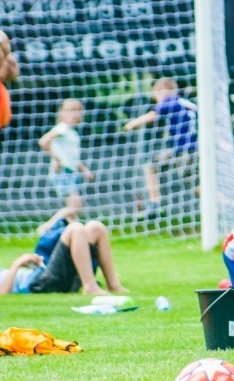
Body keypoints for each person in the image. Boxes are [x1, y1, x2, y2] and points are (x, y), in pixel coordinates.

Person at [124, 77, 198, 219]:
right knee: (151, 165)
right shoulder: (186, 103)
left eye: (156, 94)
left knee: (196, 186)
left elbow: (153, 115)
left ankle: (227, 204)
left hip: (185, 151)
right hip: (185, 149)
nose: (155, 98)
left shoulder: (170, 101)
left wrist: (131, 124)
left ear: (164, 91)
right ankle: (155, 206)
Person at [1, 217, 128, 296]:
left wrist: (27, 264)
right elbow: (3, 293)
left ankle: (113, 285)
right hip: (39, 285)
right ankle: (90, 287)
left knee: (96, 228)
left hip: (43, 273)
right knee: (75, 228)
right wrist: (17, 264)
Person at [38, 98, 94, 211]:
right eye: (70, 110)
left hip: (70, 171)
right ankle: (45, 227)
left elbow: (71, 157)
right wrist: (58, 161)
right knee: (75, 206)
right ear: (62, 113)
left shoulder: (72, 133)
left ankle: (70, 228)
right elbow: (44, 141)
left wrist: (84, 170)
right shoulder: (62, 128)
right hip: (63, 171)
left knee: (74, 209)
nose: (75, 114)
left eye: (78, 110)